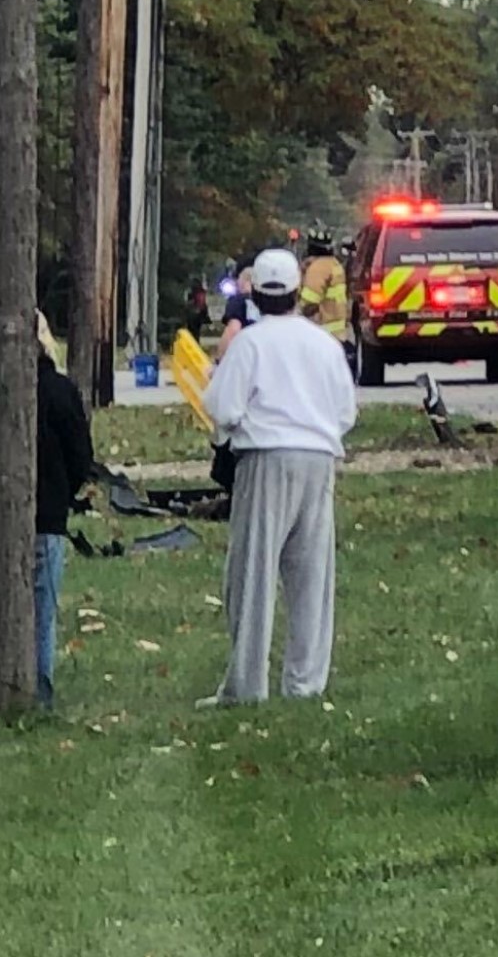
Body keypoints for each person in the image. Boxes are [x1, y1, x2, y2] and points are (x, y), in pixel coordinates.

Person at [198, 248, 358, 707]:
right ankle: (305, 683)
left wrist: (234, 431)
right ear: (294, 291)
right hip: (318, 459)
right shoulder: (323, 345)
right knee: (311, 576)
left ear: (257, 295)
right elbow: (346, 411)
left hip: (265, 458)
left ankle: (247, 686)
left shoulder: (250, 343)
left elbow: (223, 408)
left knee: (253, 574)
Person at [0, 314, 95, 709]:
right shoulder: (59, 391)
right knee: (40, 613)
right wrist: (61, 495)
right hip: (44, 520)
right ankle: (35, 697)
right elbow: (81, 457)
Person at [298, 229, 351, 352]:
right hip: (337, 332)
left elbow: (309, 302)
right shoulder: (334, 264)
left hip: (323, 331)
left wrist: (295, 314)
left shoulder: (318, 268)